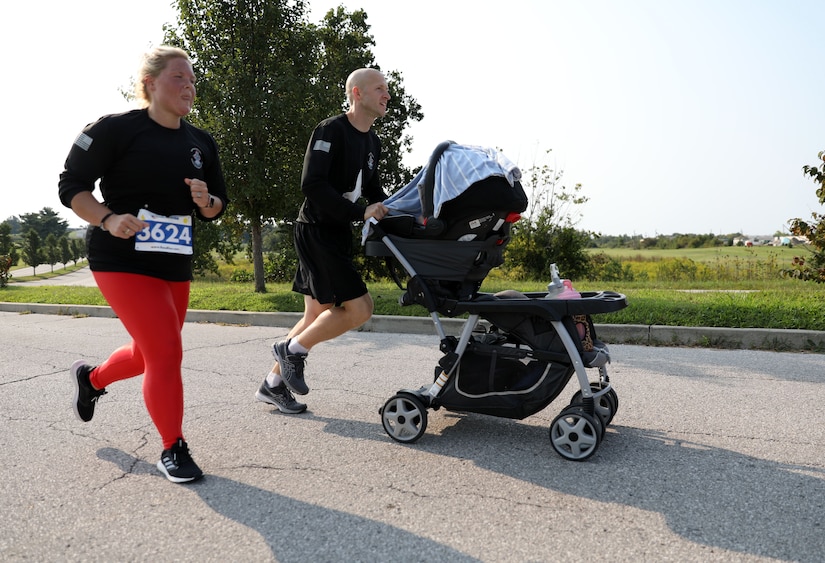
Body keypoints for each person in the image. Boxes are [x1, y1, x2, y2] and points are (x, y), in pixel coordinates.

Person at [58, 46, 229, 484]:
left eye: (192, 79)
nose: (189, 85)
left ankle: (93, 379)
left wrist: (205, 201)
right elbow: (71, 185)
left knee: (147, 353)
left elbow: (217, 206)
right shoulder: (115, 130)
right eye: (179, 77)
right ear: (150, 83)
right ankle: (173, 448)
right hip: (121, 259)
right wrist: (108, 219)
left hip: (174, 261)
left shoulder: (200, 142)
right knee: (167, 352)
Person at [255, 68, 390, 413]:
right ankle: (291, 352)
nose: (387, 95)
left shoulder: (372, 141)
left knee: (315, 315)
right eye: (380, 89)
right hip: (316, 230)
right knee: (360, 309)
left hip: (336, 232)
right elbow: (312, 185)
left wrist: (400, 214)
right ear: (357, 93)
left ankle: (272, 385)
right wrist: (359, 212)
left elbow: (374, 192)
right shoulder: (331, 130)